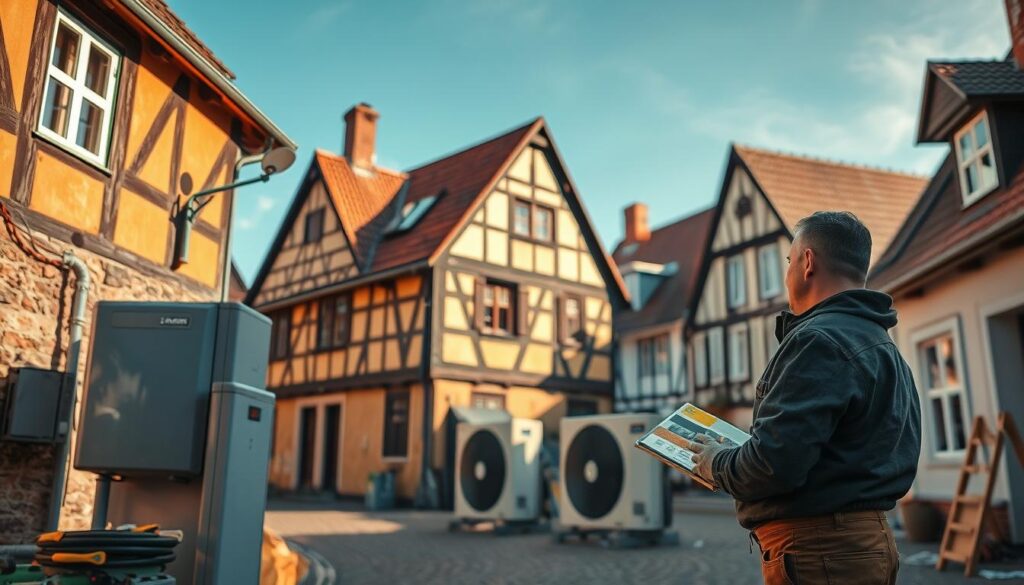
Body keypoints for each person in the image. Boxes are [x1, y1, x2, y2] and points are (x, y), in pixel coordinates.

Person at [690, 211, 921, 585]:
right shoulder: (882, 345)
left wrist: (715, 462)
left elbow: (773, 464)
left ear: (808, 262)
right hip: (863, 543)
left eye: (788, 260)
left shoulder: (818, 340)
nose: (786, 274)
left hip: (819, 552)